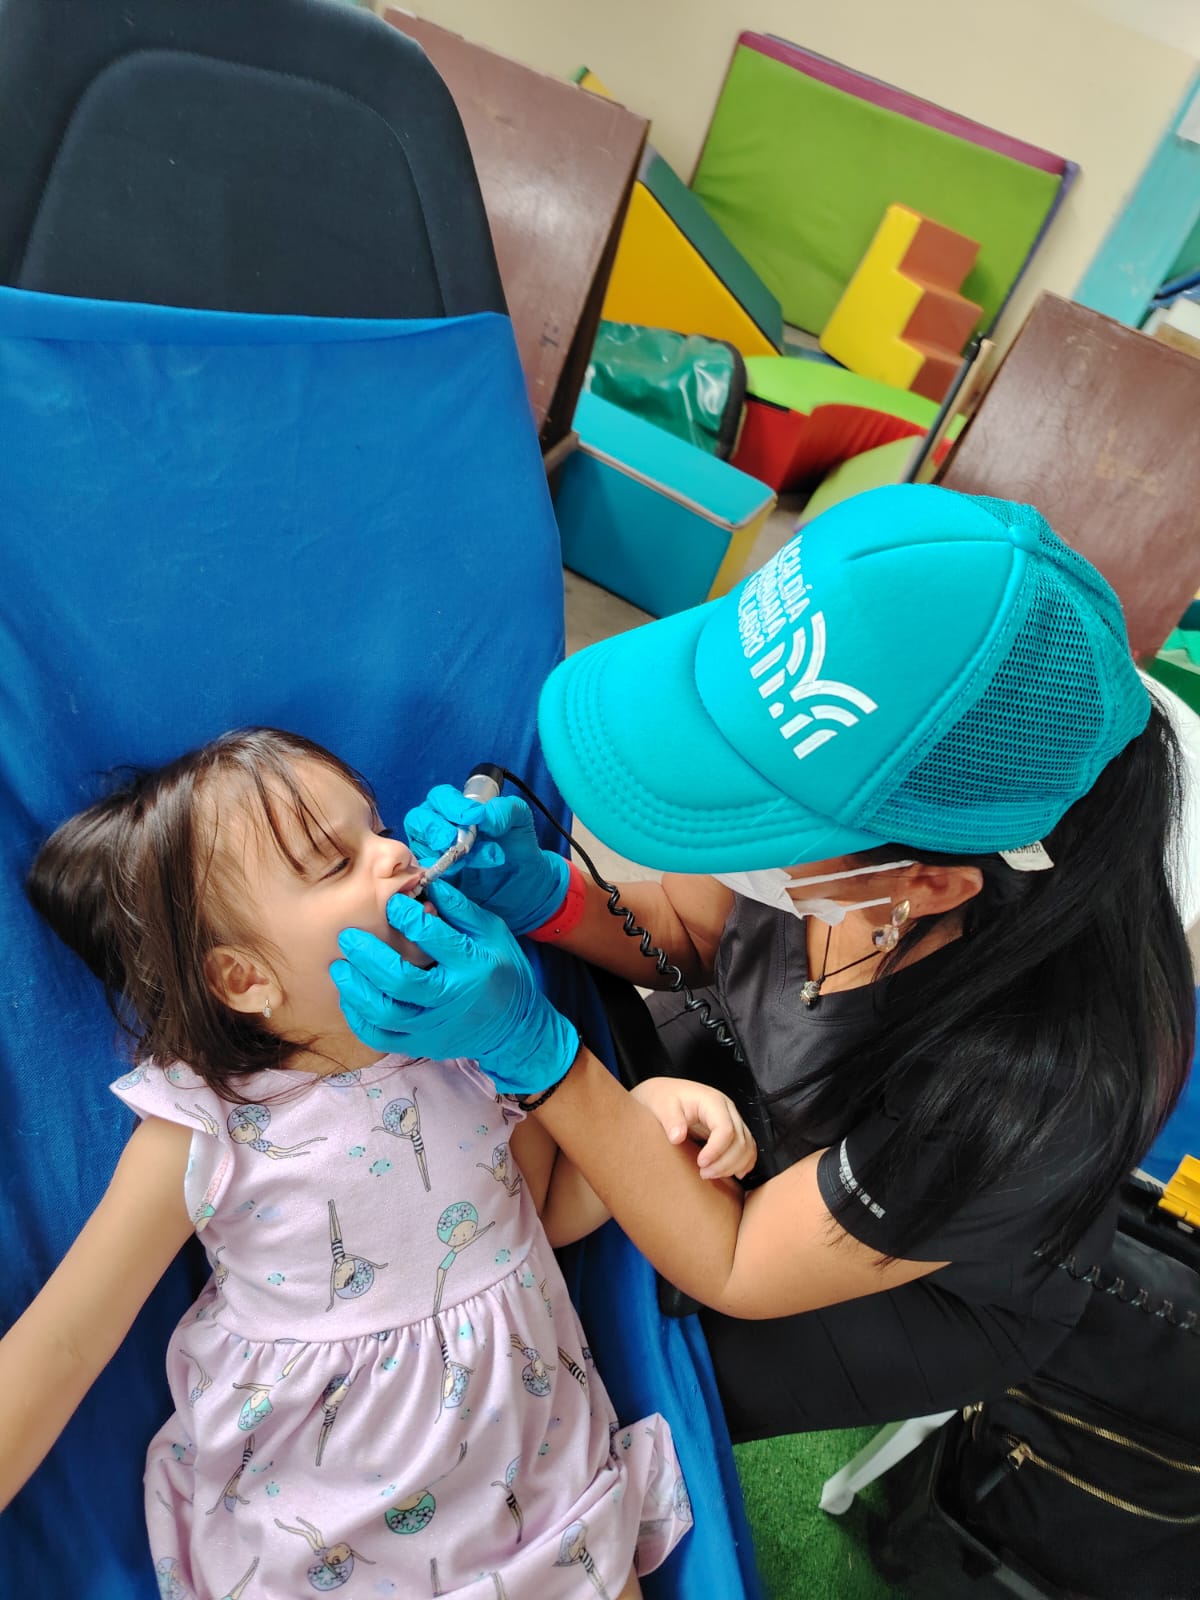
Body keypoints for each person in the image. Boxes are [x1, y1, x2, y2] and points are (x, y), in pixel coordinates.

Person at [332, 485, 1196, 1441]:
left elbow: (737, 1263)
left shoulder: (1030, 1092)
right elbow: (690, 932)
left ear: (930, 886)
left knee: (594, 1372)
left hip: (903, 1269)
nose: (732, 848)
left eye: (768, 818)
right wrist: (551, 897)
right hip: (781, 1102)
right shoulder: (855, 816)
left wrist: (533, 1052)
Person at [0, 728, 757, 1595]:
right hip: (328, 1547)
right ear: (244, 980)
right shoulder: (202, 1128)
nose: (394, 854)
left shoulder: (473, 1043)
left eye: (377, 828)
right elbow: (64, 1342)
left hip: (545, 1506)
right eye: (336, 862)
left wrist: (646, 1117)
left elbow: (536, 1213)